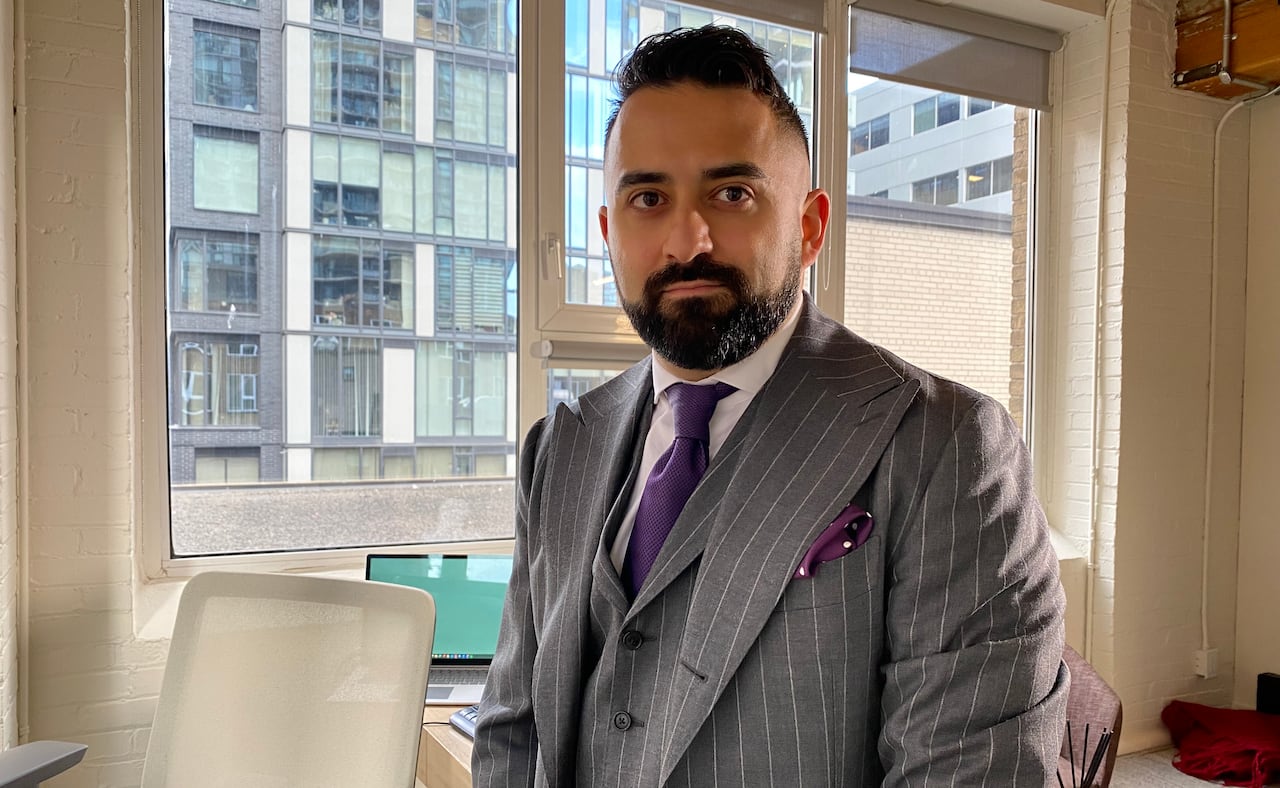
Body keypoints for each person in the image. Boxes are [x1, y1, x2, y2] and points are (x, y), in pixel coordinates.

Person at [472, 24, 1067, 787]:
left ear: (810, 226)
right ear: (607, 233)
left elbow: (966, 774)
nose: (687, 240)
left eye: (732, 193)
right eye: (648, 197)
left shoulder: (948, 445)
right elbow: (512, 726)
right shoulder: (560, 446)